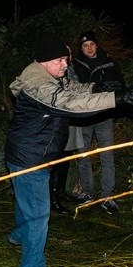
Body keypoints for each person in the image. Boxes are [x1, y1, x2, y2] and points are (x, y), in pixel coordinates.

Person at [5, 33, 133, 267]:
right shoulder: (38, 85)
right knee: (38, 213)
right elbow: (68, 102)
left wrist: (95, 87)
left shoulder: (47, 74)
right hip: (30, 157)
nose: (66, 65)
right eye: (61, 60)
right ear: (46, 60)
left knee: (25, 200)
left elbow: (71, 88)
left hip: (28, 153)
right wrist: (114, 99)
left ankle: (17, 235)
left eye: (66, 60)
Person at [70, 31, 127, 214]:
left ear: (97, 45)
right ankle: (87, 193)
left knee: (107, 156)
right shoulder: (74, 65)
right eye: (85, 46)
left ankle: (107, 196)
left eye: (92, 44)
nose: (89, 48)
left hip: (104, 116)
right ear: (81, 48)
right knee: (83, 156)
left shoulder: (109, 62)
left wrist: (117, 90)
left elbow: (121, 86)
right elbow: (72, 91)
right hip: (83, 117)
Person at [49, 44, 83, 215]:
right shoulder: (54, 71)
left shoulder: (71, 68)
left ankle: (60, 192)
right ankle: (53, 200)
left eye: (69, 53)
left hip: (72, 117)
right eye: (64, 54)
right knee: (58, 157)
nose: (67, 57)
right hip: (61, 118)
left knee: (67, 156)